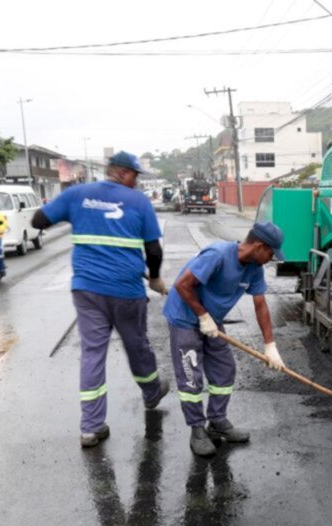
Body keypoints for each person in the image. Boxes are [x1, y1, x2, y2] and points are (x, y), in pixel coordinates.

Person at [32, 151, 169, 448]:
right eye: (135, 175)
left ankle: (91, 428)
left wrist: (77, 213)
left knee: (93, 353)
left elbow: (38, 220)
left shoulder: (78, 194)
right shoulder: (138, 202)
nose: (136, 181)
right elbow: (154, 250)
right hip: (126, 291)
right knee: (137, 346)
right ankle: (151, 392)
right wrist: (156, 277)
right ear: (120, 171)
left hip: (87, 290)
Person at [163, 221, 286, 457]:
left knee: (224, 369)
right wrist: (202, 316)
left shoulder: (254, 268)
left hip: (212, 320)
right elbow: (182, 285)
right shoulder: (218, 255)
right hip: (185, 317)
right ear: (259, 246)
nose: (271, 258)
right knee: (191, 376)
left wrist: (270, 346)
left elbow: (261, 306)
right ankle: (197, 430)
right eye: (271, 253)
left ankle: (217, 421)